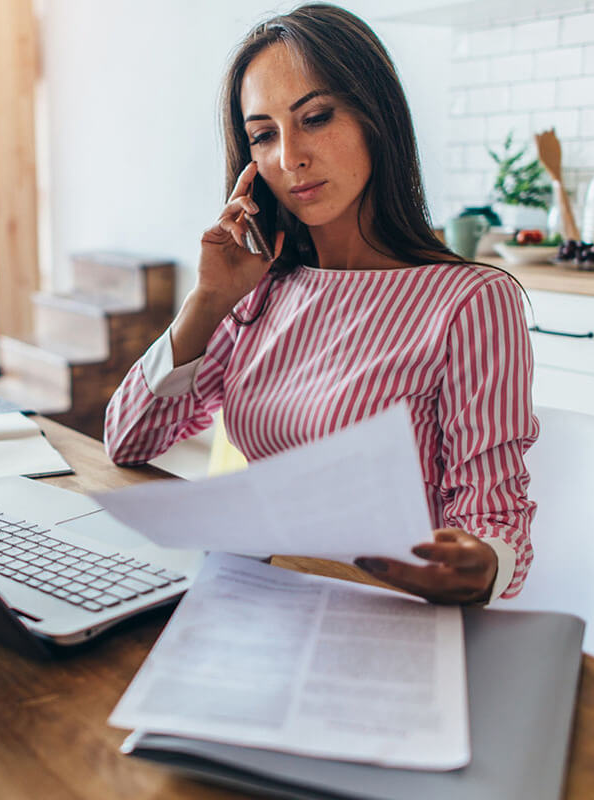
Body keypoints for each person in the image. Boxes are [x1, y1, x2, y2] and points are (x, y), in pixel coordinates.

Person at [103, 3, 538, 605]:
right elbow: (128, 442)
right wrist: (208, 301)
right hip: (258, 598)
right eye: (263, 134)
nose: (289, 157)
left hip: (383, 612)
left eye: (315, 117)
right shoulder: (263, 289)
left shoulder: (471, 302)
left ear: (374, 117)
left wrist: (482, 564)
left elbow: (494, 514)